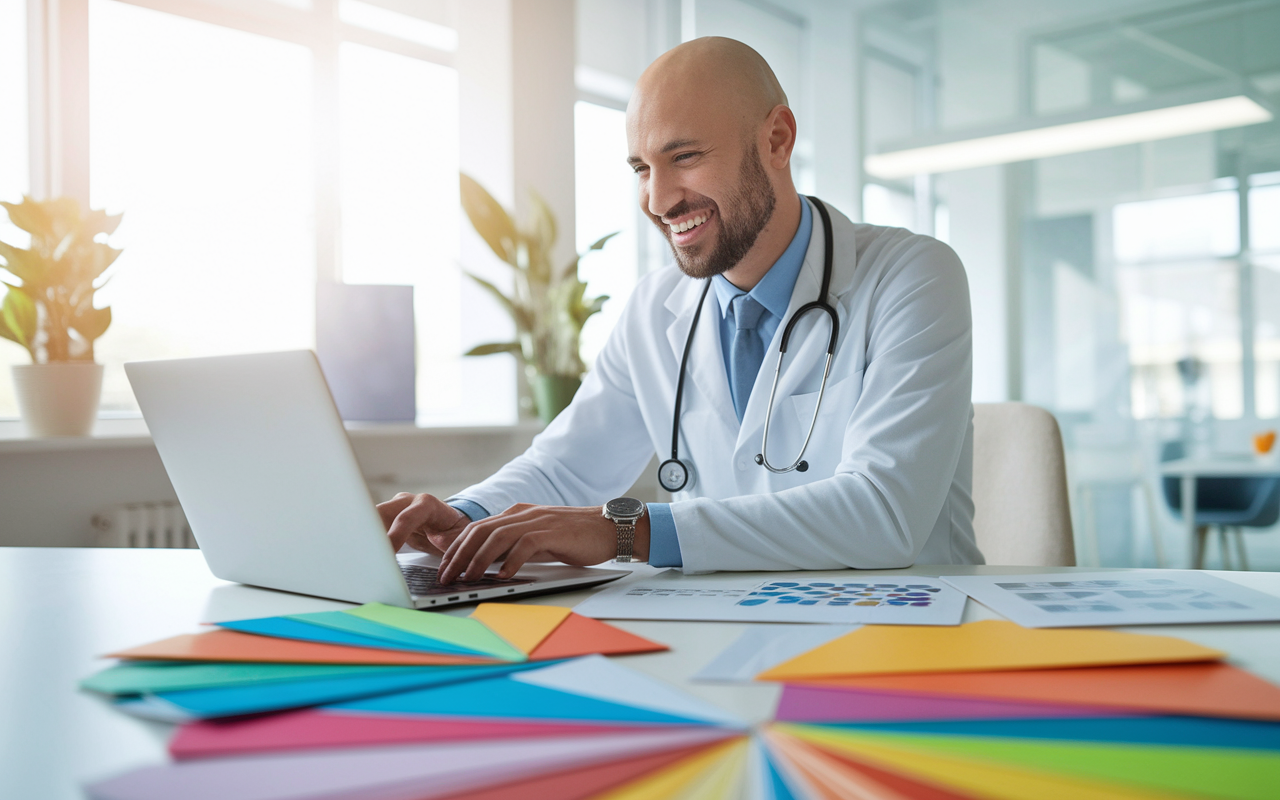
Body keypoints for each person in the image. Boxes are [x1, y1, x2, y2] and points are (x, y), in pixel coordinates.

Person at [379, 36, 984, 584]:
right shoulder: (655, 308)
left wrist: (626, 530)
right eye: (642, 168)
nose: (658, 199)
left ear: (777, 139)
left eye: (686, 156)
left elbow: (883, 512)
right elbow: (564, 467)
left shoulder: (911, 276)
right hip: (739, 622)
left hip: (909, 627)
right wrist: (462, 515)